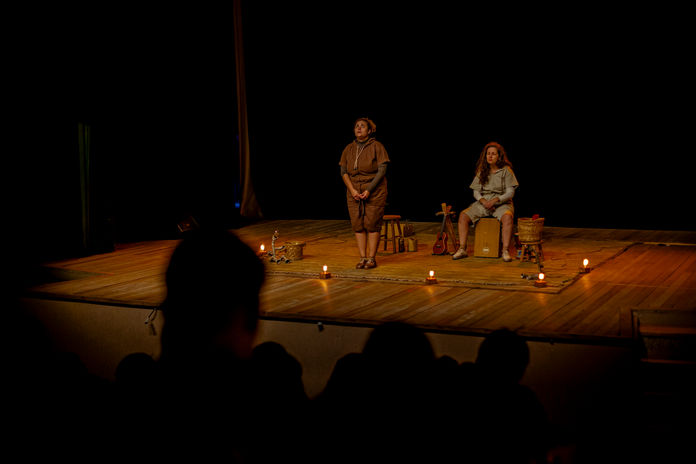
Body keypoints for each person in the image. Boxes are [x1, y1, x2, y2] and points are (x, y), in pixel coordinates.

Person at [453, 141, 518, 262]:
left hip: (501, 203)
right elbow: (476, 191)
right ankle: (462, 248)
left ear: (499, 156)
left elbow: (510, 193)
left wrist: (495, 200)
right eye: (488, 154)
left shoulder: (506, 171)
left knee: (507, 218)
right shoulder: (482, 170)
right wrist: (483, 201)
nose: (490, 156)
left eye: (493, 154)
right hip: (484, 202)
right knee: (463, 216)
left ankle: (505, 250)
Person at [339, 117, 390, 269]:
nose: (359, 128)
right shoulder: (349, 148)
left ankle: (371, 258)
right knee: (358, 225)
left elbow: (382, 171)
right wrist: (352, 190)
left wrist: (368, 190)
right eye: (357, 126)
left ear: (370, 130)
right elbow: (343, 172)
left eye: (362, 126)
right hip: (354, 190)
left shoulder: (377, 146)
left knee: (372, 224)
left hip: (375, 190)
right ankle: (362, 258)